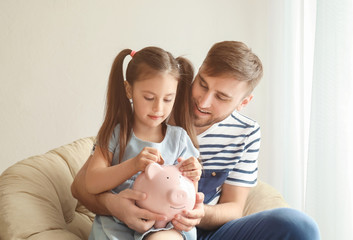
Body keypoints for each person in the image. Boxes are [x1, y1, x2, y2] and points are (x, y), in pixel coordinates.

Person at [72, 41, 321, 239]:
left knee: (299, 227)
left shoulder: (245, 133)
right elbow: (81, 186)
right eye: (202, 84)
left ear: (243, 103)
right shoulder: (159, 106)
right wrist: (115, 205)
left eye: (221, 97)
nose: (203, 102)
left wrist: (197, 213)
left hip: (194, 229)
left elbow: (234, 208)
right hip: (143, 223)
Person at [85, 46, 202, 240]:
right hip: (117, 225)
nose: (158, 108)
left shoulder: (179, 139)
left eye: (168, 99)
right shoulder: (115, 134)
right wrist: (133, 165)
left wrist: (193, 175)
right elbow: (91, 182)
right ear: (129, 90)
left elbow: (188, 194)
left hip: (166, 226)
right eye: (149, 98)